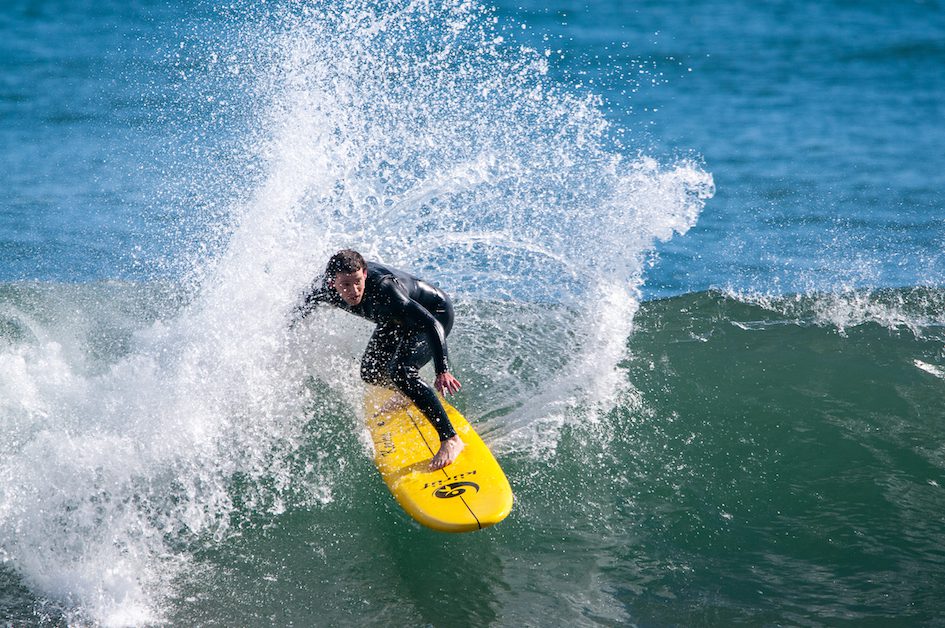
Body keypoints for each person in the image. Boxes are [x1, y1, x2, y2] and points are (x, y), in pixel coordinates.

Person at [294, 249, 465, 470]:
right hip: (394, 319)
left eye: (357, 282)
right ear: (332, 283)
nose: (353, 291)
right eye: (345, 285)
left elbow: (431, 324)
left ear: (364, 274)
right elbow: (300, 310)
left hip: (434, 315)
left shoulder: (385, 289)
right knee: (370, 372)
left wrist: (442, 370)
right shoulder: (322, 291)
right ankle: (411, 392)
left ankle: (451, 439)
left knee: (402, 372)